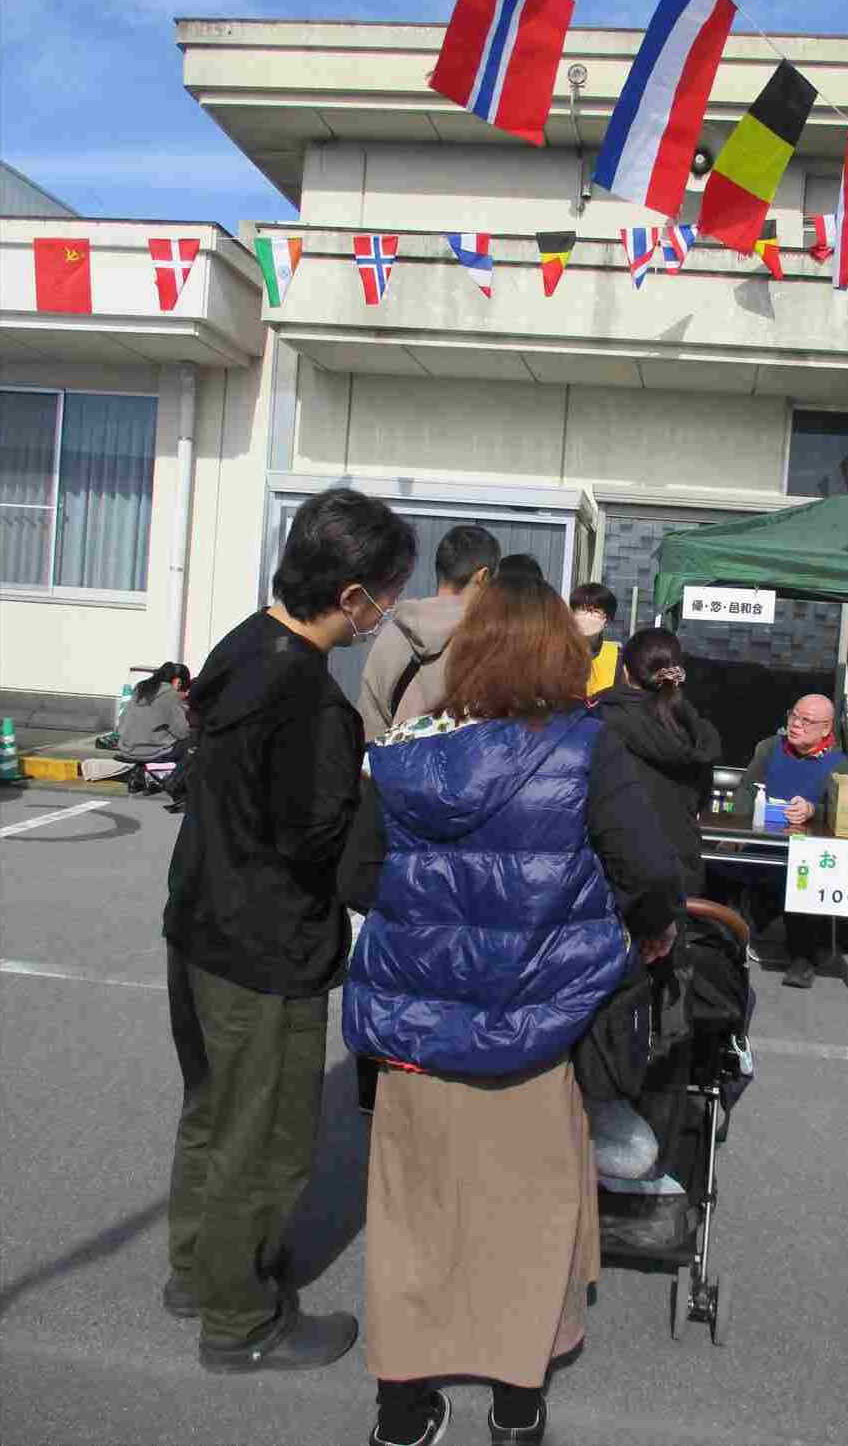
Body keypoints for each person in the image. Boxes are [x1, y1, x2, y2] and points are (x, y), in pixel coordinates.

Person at [339, 574, 683, 1446]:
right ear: (563, 654)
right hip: (534, 1027)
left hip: (416, 1028)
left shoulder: (406, 746)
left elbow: (352, 878)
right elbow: (647, 870)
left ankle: (401, 1410)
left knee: (412, 1215)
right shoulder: (584, 746)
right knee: (526, 1214)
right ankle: (517, 1402)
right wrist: (647, 933)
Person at [162, 488, 416, 1373]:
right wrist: (383, 799)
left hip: (198, 915)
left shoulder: (242, 642)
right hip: (263, 941)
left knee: (212, 1111)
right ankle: (241, 1321)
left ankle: (199, 1269)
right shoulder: (307, 695)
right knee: (263, 1138)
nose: (386, 613)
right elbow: (318, 840)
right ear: (352, 597)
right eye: (386, 595)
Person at [733, 694, 848, 989]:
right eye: (793, 716)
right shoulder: (769, 748)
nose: (796, 724)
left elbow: (846, 813)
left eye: (806, 721)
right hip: (762, 844)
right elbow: (746, 792)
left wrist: (815, 811)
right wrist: (738, 831)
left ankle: (804, 957)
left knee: (802, 878)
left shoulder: (841, 765)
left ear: (826, 729)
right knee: (715, 867)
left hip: (809, 854)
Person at [597, 628, 721, 895]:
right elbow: (701, 799)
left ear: (625, 671)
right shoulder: (693, 728)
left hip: (616, 873)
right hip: (681, 868)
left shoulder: (600, 719)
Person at [358, 523, 499, 734]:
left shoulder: (394, 633)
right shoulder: (492, 644)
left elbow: (370, 724)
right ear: (483, 576)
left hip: (394, 763)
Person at [116, 662, 192, 761]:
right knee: (192, 742)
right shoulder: (170, 693)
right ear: (178, 682)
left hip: (126, 750)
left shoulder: (140, 689)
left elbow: (122, 723)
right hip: (152, 754)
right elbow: (182, 732)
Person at [570, 582, 621, 697]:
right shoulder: (554, 651)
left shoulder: (618, 657)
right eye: (583, 609)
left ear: (607, 621)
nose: (588, 616)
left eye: (596, 612)